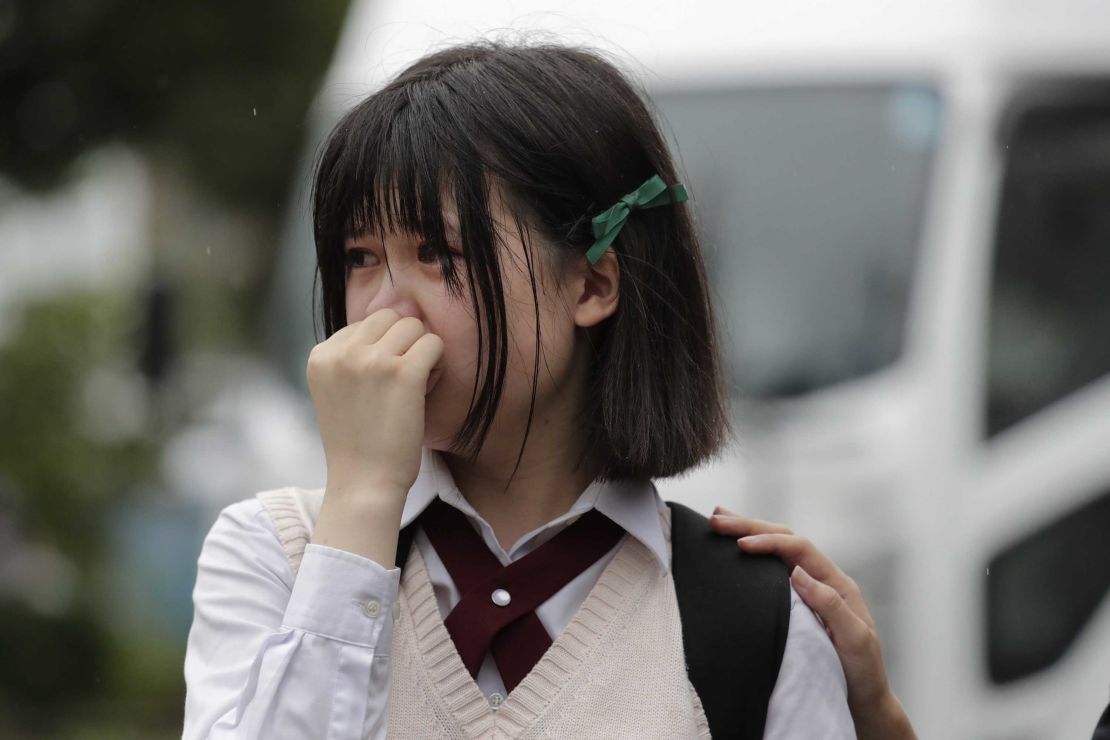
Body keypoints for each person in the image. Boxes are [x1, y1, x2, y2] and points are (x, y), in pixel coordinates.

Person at [182, 41, 855, 738]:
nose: (386, 310)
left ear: (591, 285)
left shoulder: (751, 615)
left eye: (438, 255)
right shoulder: (272, 556)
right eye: (361, 257)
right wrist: (359, 503)